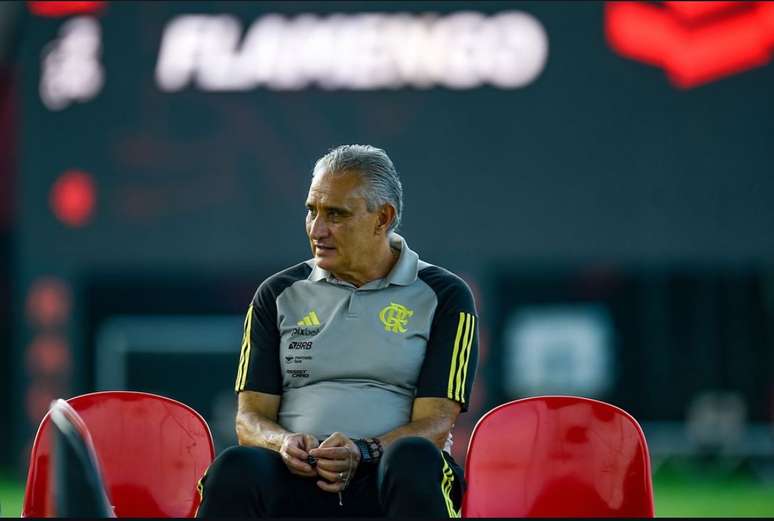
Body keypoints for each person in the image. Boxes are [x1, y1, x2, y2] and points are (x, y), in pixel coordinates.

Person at [196, 144, 479, 518]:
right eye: (311, 211)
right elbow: (248, 419)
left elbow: (438, 422)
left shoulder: (444, 295)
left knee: (413, 459)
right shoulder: (277, 294)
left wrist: (364, 450)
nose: (317, 229)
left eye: (336, 215)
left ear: (383, 218)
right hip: (297, 476)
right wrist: (282, 443)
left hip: (387, 475)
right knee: (235, 468)